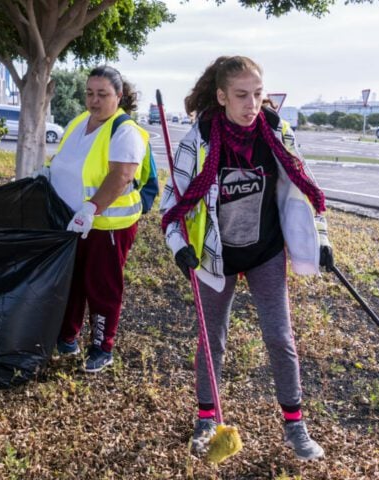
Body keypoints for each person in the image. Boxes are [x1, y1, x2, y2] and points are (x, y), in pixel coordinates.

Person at [159, 56, 331, 461]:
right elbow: (172, 206)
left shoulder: (274, 131)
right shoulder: (199, 139)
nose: (252, 103)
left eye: (258, 94)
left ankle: (295, 425)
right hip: (213, 258)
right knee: (212, 340)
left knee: (279, 336)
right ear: (221, 97)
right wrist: (177, 247)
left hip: (265, 252)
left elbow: (308, 188)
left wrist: (320, 239)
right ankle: (206, 420)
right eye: (241, 95)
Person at [37, 66, 149, 373]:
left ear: (119, 96)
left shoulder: (124, 130)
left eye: (102, 94)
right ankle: (67, 338)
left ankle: (102, 347)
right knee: (71, 281)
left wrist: (91, 208)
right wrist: (48, 172)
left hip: (106, 226)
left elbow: (121, 176)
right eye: (89, 93)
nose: (94, 101)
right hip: (71, 222)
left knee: (101, 287)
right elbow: (63, 159)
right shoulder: (77, 123)